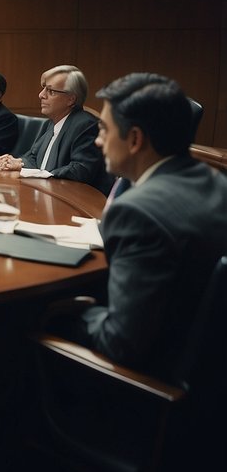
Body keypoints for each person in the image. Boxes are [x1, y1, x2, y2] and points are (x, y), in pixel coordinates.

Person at [52, 72, 227, 383]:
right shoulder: (217, 183)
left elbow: (120, 344)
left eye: (104, 129)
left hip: (148, 390)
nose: (97, 140)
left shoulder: (137, 212)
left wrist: (71, 311)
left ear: (135, 140)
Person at [0, 65, 110, 193]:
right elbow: (34, 156)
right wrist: (18, 162)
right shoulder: (52, 123)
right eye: (43, 89)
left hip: (72, 202)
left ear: (71, 99)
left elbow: (81, 170)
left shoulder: (85, 125)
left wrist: (40, 173)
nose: (41, 95)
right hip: (45, 195)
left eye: (51, 91)